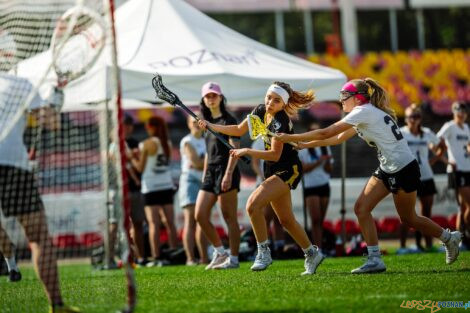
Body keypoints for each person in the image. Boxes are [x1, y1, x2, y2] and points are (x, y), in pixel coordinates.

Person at [277, 78, 462, 274]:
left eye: (344, 96)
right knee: (361, 208)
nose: (341, 101)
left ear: (357, 98)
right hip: (389, 167)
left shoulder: (363, 111)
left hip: (403, 168)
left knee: (409, 219)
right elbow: (337, 139)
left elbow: (326, 133)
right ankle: (375, 259)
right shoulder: (364, 112)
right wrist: (304, 145)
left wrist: (290, 137)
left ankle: (449, 238)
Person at [199, 81, 325, 275]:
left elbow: (275, 154)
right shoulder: (259, 111)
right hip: (272, 170)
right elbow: (238, 129)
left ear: (283, 104)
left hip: (287, 170)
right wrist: (210, 125)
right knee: (286, 220)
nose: (270, 102)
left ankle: (263, 252)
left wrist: (248, 151)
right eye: (268, 97)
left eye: (276, 100)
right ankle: (312, 253)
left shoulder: (280, 122)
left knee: (253, 205)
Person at [0, 74, 79, 312]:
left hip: (13, 165)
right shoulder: (19, 83)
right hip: (12, 166)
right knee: (38, 238)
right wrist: (54, 99)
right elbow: (52, 123)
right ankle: (57, 305)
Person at [194, 82, 241, 270]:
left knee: (229, 217)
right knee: (200, 215)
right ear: (204, 100)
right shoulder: (204, 123)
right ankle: (221, 252)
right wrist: (205, 174)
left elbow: (235, 149)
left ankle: (234, 259)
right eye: (207, 96)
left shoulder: (229, 120)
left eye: (214, 95)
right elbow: (208, 152)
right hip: (210, 173)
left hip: (226, 170)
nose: (211, 98)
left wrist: (228, 173)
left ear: (221, 97)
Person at [128, 116, 177, 267]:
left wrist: (131, 157)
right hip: (166, 185)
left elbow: (140, 168)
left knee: (153, 224)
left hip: (151, 186)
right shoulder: (167, 143)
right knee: (170, 223)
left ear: (150, 127)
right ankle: (174, 252)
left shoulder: (146, 144)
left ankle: (156, 256)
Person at [398, 104, 441, 253]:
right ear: (406, 118)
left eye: (416, 116)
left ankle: (428, 245)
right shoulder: (401, 133)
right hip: (408, 176)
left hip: (426, 175)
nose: (413, 120)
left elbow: (441, 146)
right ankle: (403, 247)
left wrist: (433, 160)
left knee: (426, 212)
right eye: (410, 116)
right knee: (407, 214)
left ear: (420, 118)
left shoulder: (426, 133)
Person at [437, 101, 470, 249]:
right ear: (453, 112)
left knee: (462, 207)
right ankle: (465, 236)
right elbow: (436, 141)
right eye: (458, 111)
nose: (461, 113)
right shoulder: (449, 126)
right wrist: (446, 160)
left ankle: (460, 239)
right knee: (467, 205)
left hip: (467, 169)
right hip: (457, 170)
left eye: (463, 111)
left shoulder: (466, 128)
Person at [298, 122, 333, 250]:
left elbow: (329, 169)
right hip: (310, 186)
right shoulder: (304, 148)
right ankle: (316, 248)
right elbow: (303, 168)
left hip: (324, 184)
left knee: (321, 220)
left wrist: (327, 161)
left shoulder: (325, 146)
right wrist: (319, 161)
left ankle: (321, 247)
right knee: (315, 219)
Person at [179, 115, 209, 265]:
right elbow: (197, 163)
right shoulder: (187, 141)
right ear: (188, 124)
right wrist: (210, 160)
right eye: (193, 122)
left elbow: (200, 162)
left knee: (202, 220)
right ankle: (190, 258)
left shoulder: (206, 140)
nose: (196, 124)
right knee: (190, 221)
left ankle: (204, 258)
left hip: (203, 182)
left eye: (198, 121)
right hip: (190, 181)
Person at [251, 138, 285, 257]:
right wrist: (263, 177)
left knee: (280, 217)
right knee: (266, 217)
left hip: (277, 182)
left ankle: (279, 246)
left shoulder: (277, 138)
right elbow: (255, 164)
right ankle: (265, 247)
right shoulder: (258, 142)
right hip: (264, 183)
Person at [122, 115, 146, 266]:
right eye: (126, 124)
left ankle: (140, 256)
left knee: (138, 223)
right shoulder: (114, 143)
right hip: (121, 189)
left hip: (136, 189)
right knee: (121, 225)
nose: (128, 127)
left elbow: (139, 165)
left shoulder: (136, 143)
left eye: (130, 125)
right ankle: (125, 256)